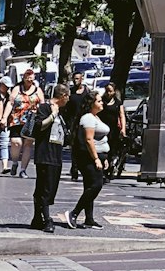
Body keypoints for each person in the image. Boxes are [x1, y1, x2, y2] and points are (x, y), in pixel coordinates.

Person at [62, 90, 109, 229]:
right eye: (99, 101)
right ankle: (74, 213)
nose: (102, 103)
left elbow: (99, 139)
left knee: (89, 186)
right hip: (89, 158)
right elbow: (89, 140)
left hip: (99, 156)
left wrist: (104, 157)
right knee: (96, 185)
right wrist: (96, 158)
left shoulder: (95, 117)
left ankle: (89, 218)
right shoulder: (88, 118)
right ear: (91, 103)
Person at [31, 85, 69, 234]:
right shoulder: (45, 107)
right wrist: (53, 115)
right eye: (68, 96)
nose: (68, 100)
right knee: (45, 188)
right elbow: (40, 125)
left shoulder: (60, 112)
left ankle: (37, 218)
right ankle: (46, 219)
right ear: (63, 96)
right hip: (45, 154)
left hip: (55, 155)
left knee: (48, 188)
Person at [9, 68, 44, 178]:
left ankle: (23, 170)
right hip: (17, 119)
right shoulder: (17, 88)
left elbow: (42, 104)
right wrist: (4, 117)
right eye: (27, 77)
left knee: (28, 144)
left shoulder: (38, 90)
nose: (29, 80)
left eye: (31, 78)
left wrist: (42, 116)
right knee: (16, 142)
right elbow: (10, 103)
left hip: (31, 120)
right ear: (23, 78)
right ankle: (15, 162)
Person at [61, 71, 88, 183]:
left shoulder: (87, 92)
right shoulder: (70, 92)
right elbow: (66, 108)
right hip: (73, 122)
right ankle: (74, 168)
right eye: (74, 79)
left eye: (77, 78)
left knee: (84, 145)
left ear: (82, 79)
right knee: (74, 146)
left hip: (85, 121)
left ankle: (83, 167)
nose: (76, 81)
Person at [100, 82, 127, 180]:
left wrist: (123, 129)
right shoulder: (101, 101)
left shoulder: (117, 103)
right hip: (102, 129)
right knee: (103, 149)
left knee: (112, 150)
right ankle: (103, 169)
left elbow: (122, 115)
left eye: (110, 91)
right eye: (107, 91)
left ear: (114, 91)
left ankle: (109, 169)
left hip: (113, 130)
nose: (108, 93)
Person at [0, 77, 13, 175]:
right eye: (6, 86)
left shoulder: (8, 95)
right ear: (1, 85)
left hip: (4, 123)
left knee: (4, 144)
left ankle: (5, 166)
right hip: (0, 121)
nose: (7, 88)